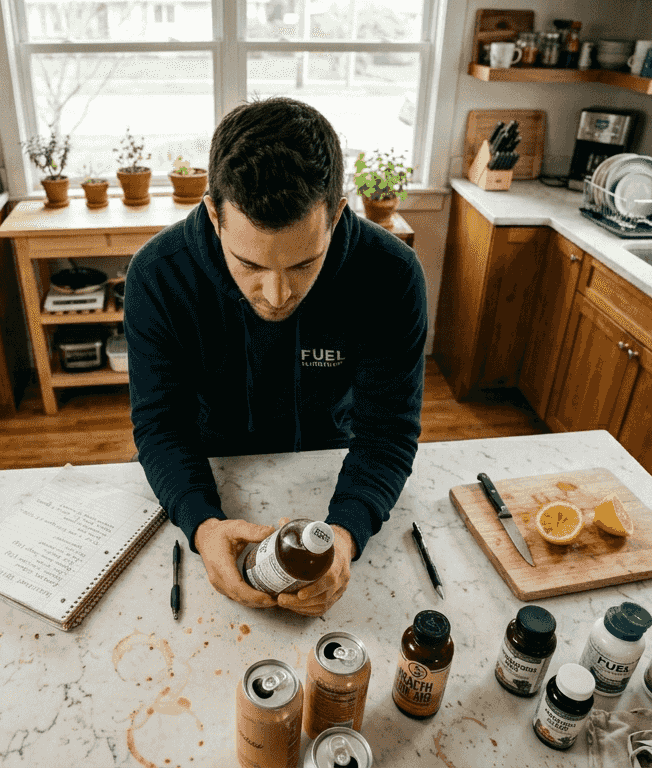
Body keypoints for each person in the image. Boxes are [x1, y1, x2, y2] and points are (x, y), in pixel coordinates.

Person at [124, 97, 427, 617]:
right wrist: (202, 525)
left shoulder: (392, 275)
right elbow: (161, 426)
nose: (278, 293)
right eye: (249, 264)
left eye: (304, 264)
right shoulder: (157, 276)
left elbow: (388, 432)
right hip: (207, 462)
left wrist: (348, 533)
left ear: (335, 212)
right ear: (214, 213)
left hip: (329, 459)